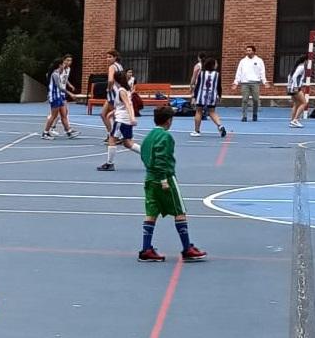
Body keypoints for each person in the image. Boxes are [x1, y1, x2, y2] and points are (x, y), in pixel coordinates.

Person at [138, 105, 207, 264]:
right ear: (169, 121)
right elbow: (162, 158)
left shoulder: (148, 136)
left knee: (151, 212)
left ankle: (146, 248)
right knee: (179, 210)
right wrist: (163, 179)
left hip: (149, 178)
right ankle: (186, 248)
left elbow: (144, 153)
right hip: (165, 178)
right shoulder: (166, 137)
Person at [97, 74, 140, 171]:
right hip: (125, 119)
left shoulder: (121, 91)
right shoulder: (126, 90)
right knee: (127, 143)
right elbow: (123, 106)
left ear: (116, 81)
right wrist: (113, 112)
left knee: (112, 139)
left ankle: (110, 163)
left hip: (122, 120)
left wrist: (132, 118)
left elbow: (128, 105)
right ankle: (147, 155)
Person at [41, 55, 80, 139]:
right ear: (59, 65)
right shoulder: (55, 74)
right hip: (55, 96)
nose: (64, 65)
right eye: (63, 64)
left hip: (59, 96)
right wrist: (70, 94)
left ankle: (69, 131)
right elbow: (60, 87)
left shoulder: (59, 73)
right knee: (53, 115)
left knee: (64, 113)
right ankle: (45, 132)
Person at [191, 58, 227, 138]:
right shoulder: (217, 75)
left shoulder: (202, 73)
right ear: (213, 65)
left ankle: (196, 131)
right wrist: (220, 96)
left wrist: (194, 96)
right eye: (216, 63)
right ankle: (220, 125)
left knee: (199, 111)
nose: (217, 65)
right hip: (212, 95)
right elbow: (219, 87)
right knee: (212, 112)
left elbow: (197, 86)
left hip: (201, 95)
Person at [232, 45, 267, 121]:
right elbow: (239, 72)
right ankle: (244, 116)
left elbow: (262, 72)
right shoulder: (242, 61)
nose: (248, 52)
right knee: (244, 100)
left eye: (249, 50)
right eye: (247, 50)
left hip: (255, 83)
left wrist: (264, 81)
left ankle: (255, 114)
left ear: (254, 51)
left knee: (256, 100)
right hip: (245, 83)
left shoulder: (259, 60)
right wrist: (236, 82)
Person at [100, 50, 124, 141]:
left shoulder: (112, 67)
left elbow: (110, 80)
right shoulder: (120, 66)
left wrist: (109, 88)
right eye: (107, 57)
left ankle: (116, 135)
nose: (108, 59)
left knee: (113, 115)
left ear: (115, 57)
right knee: (103, 114)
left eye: (110, 57)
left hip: (113, 93)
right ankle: (111, 134)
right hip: (118, 92)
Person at [288, 58, 310, 128]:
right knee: (304, 103)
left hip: (291, 88)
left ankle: (292, 121)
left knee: (296, 104)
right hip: (296, 88)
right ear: (305, 61)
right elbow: (294, 77)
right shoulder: (301, 67)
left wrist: (289, 86)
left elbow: (289, 76)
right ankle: (295, 120)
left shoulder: (296, 67)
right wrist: (296, 87)